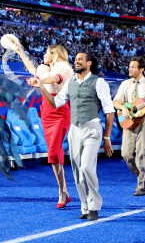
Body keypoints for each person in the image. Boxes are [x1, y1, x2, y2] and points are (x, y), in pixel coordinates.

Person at [31, 52, 115, 221]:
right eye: (75, 60)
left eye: (80, 60)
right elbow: (56, 103)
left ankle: (94, 205)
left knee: (86, 167)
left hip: (92, 129)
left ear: (89, 63)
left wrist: (107, 138)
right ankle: (85, 207)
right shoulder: (70, 83)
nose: (76, 62)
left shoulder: (99, 83)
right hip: (75, 130)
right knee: (77, 171)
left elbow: (109, 110)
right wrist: (41, 86)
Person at [17, 44, 73, 208]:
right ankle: (64, 191)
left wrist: (39, 81)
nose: (44, 55)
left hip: (61, 111)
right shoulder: (42, 69)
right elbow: (30, 67)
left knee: (54, 152)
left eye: (47, 52)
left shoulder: (64, 68)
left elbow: (56, 79)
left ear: (55, 54)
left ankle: (62, 192)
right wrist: (20, 51)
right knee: (54, 154)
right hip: (46, 113)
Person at [113, 57, 145, 196]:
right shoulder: (125, 84)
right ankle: (142, 175)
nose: (130, 69)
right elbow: (116, 102)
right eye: (130, 67)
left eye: (134, 67)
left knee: (143, 153)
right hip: (129, 120)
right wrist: (123, 108)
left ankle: (142, 186)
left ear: (142, 69)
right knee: (126, 154)